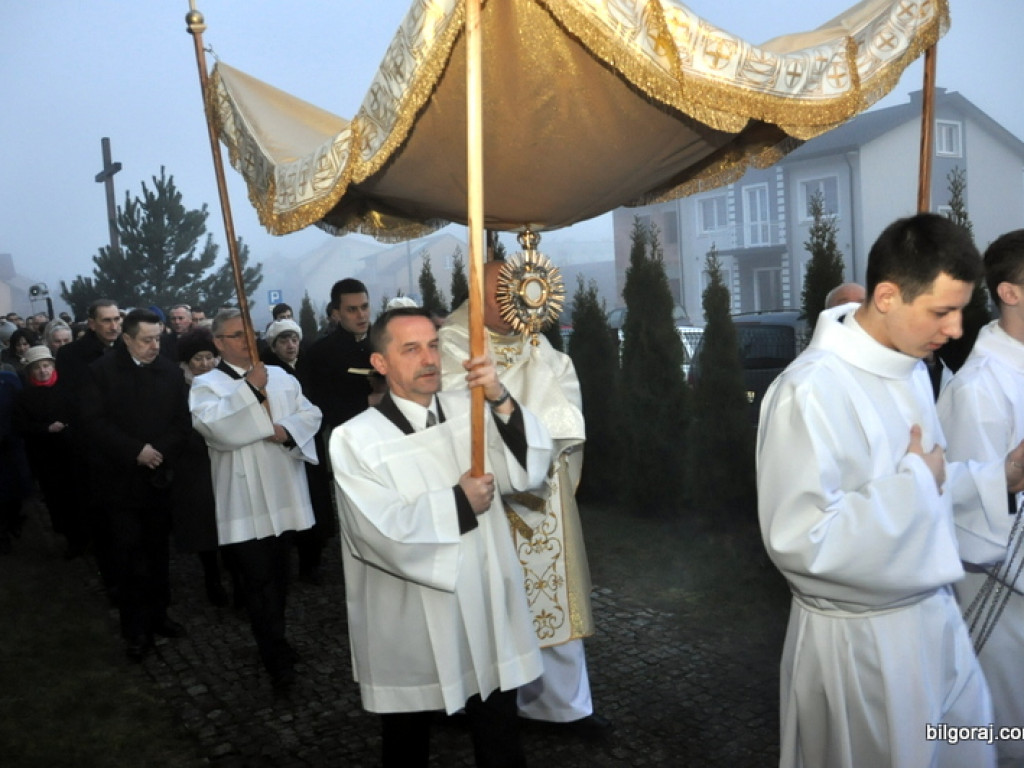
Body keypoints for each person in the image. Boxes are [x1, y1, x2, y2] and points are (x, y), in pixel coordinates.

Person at [757, 213, 1024, 768]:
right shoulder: (807, 391)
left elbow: (935, 493)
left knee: (970, 748)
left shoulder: (908, 369)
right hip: (863, 651)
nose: (955, 331)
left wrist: (1000, 478)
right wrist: (915, 485)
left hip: (935, 623)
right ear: (886, 296)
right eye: (942, 312)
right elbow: (801, 541)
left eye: (960, 312)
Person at [331, 307, 552, 767]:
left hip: (484, 592)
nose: (428, 358)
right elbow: (374, 530)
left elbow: (526, 471)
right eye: (410, 349)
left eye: (432, 345)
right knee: (408, 738)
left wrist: (500, 398)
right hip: (409, 606)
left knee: (499, 731)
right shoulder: (355, 439)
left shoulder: (469, 409)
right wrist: (457, 503)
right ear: (381, 363)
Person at [439, 261, 604, 736]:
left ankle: (563, 707)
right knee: (488, 608)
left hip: (543, 495)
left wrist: (525, 385)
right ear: (479, 297)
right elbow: (453, 415)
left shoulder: (539, 342)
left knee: (553, 602)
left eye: (516, 291)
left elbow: (563, 407)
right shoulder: (453, 341)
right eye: (501, 293)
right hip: (484, 497)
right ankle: (481, 705)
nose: (514, 303)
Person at [190, 308, 322, 691]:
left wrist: (287, 429)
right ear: (218, 343)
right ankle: (273, 655)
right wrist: (249, 389)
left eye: (249, 335)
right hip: (243, 498)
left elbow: (311, 413)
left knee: (280, 577)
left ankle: (276, 639)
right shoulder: (206, 385)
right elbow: (217, 431)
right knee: (257, 581)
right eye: (235, 336)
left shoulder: (279, 376)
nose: (246, 344)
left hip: (281, 489)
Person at [937, 228, 1024, 767]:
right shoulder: (979, 385)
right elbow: (964, 508)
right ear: (1011, 292)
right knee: (1003, 735)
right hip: (1002, 599)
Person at [79, 309, 192, 661]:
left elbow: (181, 421)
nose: (154, 345)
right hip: (119, 483)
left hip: (158, 479)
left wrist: (159, 451)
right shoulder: (101, 373)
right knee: (128, 558)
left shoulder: (170, 371)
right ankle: (136, 630)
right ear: (126, 339)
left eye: (158, 338)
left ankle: (159, 616)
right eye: (146, 339)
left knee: (158, 554)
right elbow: (93, 423)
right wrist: (135, 451)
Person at [295, 278, 376, 585]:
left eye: (365, 306)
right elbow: (313, 406)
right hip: (344, 442)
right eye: (352, 309)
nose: (361, 315)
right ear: (337, 313)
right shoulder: (320, 353)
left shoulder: (382, 342)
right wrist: (364, 400)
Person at [56, 298, 123, 595]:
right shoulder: (72, 355)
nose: (113, 326)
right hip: (94, 451)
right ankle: (113, 582)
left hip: (128, 446)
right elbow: (77, 403)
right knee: (104, 522)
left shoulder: (128, 347)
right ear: (92, 324)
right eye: (106, 320)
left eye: (117, 319)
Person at [175, 327, 232, 607]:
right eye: (198, 358)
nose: (206, 364)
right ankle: (212, 578)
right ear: (187, 362)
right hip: (195, 465)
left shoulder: (225, 384)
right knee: (205, 525)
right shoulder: (180, 390)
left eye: (210, 357)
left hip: (224, 459)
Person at [13, 345, 82, 557]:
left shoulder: (67, 389)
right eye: (37, 367)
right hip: (45, 458)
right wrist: (45, 428)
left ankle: (83, 536)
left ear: (53, 366)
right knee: (57, 499)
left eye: (46, 365)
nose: (43, 371)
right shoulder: (24, 396)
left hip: (72, 454)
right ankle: (71, 539)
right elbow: (21, 426)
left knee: (78, 496)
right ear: (30, 371)